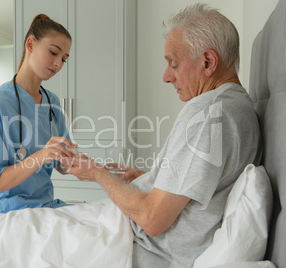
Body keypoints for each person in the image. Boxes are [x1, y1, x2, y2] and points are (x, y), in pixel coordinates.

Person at [61, 4, 261, 267]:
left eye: (174, 64)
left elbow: (152, 218)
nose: (166, 77)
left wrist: (98, 173)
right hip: (127, 231)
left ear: (208, 62)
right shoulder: (236, 105)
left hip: (136, 246)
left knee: (13, 236)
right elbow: (206, 185)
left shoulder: (208, 114)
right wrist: (152, 179)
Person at [0, 14, 77, 214]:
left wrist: (77, 162)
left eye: (64, 59)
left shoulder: (52, 102)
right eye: (53, 53)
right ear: (30, 44)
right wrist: (41, 156)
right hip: (11, 212)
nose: (58, 64)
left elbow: (61, 164)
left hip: (46, 206)